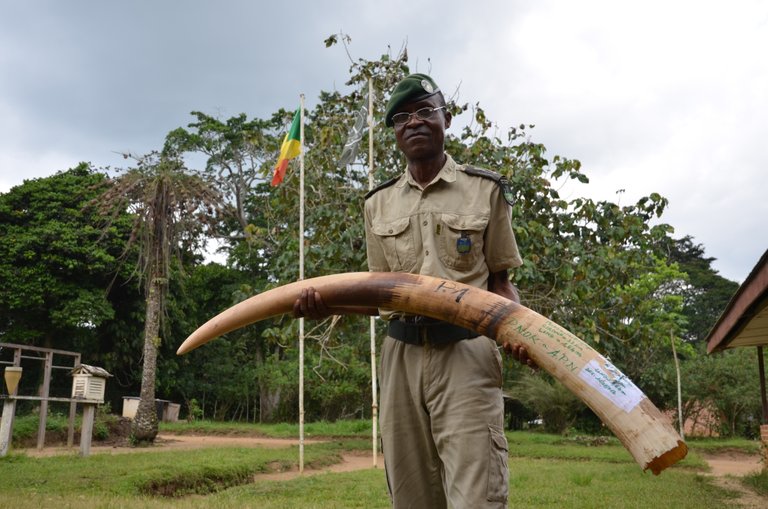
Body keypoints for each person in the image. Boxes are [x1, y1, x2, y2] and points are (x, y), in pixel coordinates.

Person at [294, 73, 535, 508]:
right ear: (395, 133)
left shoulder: (485, 190)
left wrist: (516, 329)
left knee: (476, 494)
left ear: (446, 118)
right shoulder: (377, 204)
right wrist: (324, 305)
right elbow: (379, 293)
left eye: (426, 111)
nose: (415, 122)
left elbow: (501, 281)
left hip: (466, 353)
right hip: (400, 358)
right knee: (411, 495)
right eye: (403, 117)